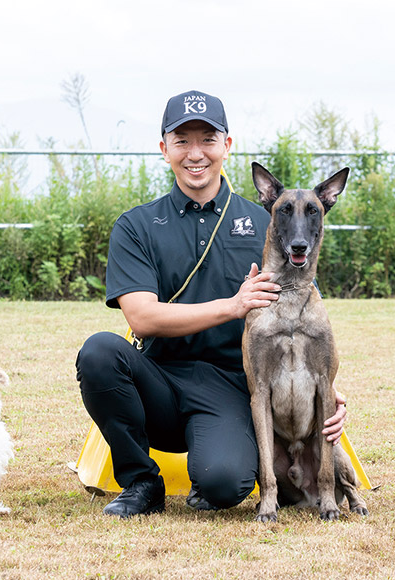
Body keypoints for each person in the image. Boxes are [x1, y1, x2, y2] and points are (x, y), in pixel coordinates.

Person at [76, 90, 347, 518]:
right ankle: (142, 481)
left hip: (231, 388)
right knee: (99, 352)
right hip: (158, 379)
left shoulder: (270, 220)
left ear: (227, 146)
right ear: (164, 148)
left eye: (208, 139)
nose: (195, 153)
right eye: (182, 140)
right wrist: (232, 305)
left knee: (225, 482)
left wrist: (325, 390)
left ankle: (212, 474)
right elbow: (141, 317)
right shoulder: (137, 225)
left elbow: (299, 312)